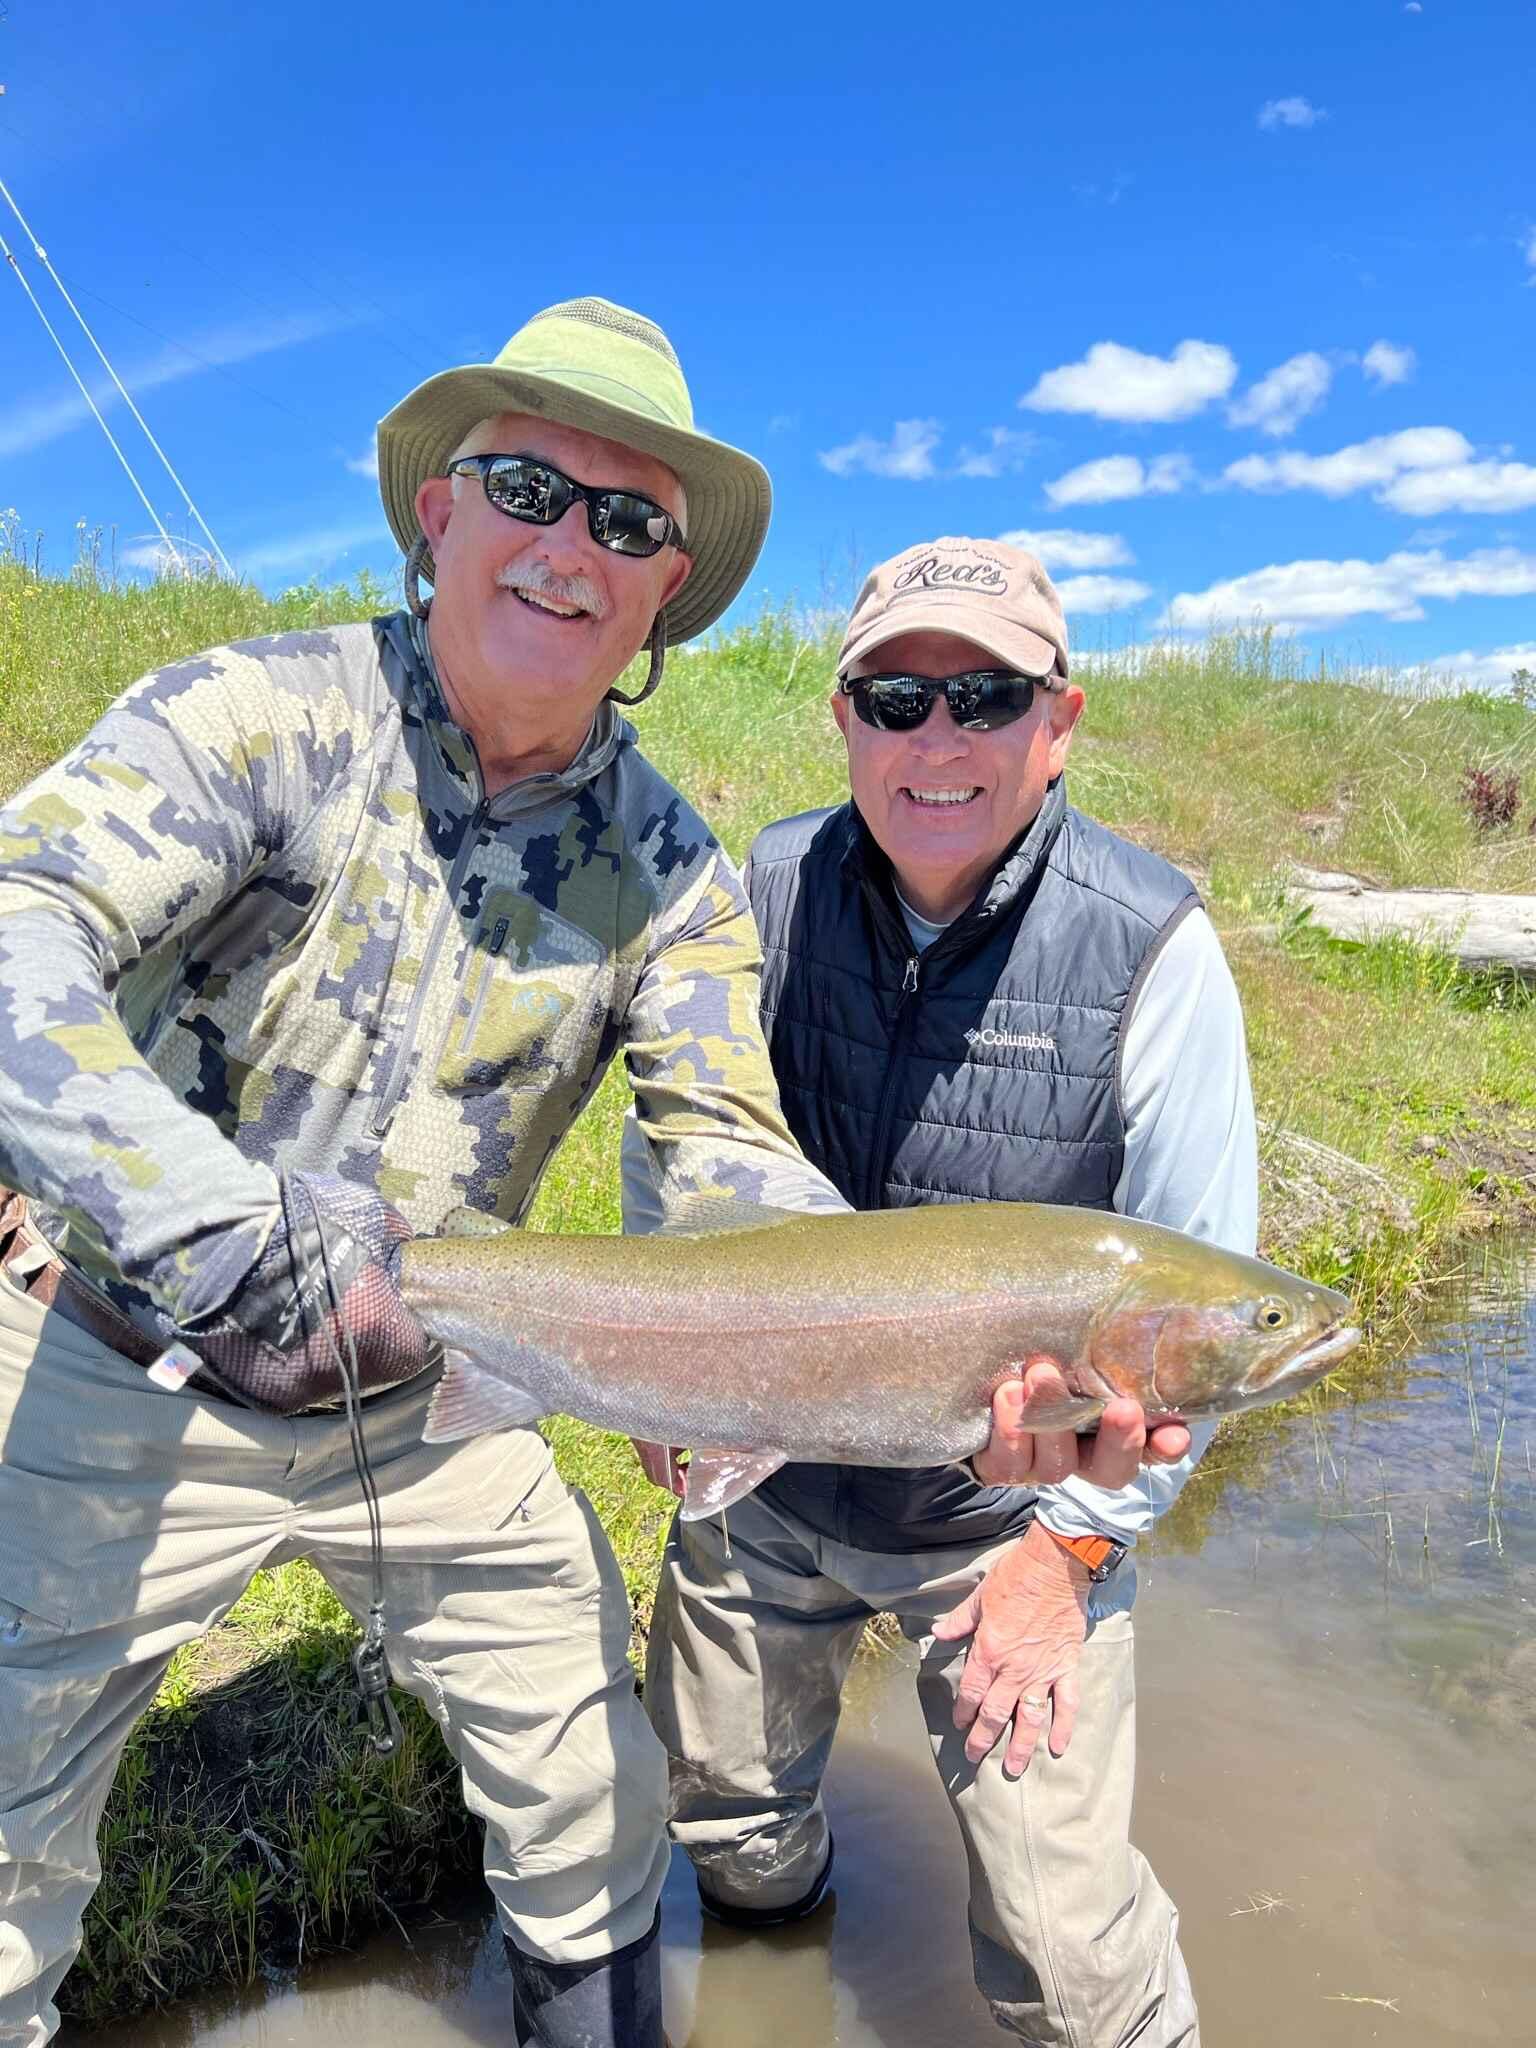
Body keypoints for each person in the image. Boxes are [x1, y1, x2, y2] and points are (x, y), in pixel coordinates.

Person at [0, 294, 854, 2048]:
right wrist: (203, 1218)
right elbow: (20, 921)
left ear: (662, 600)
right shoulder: (259, 715)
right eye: (527, 486)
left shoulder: (675, 870)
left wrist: (874, 1334)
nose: (571, 547)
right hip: (120, 1362)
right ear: (434, 514)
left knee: (598, 1813)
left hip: (437, 1392)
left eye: (630, 524)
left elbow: (727, 1163)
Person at [628, 536, 1258, 2047]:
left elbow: (1201, 1308)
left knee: (1069, 1968)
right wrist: (661, 1385)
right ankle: (777, 1966)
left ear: (1061, 722)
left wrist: (1071, 1556)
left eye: (985, 697)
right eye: (895, 698)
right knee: (735, 1847)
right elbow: (678, 1149)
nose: (938, 740)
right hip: (766, 1482)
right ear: (841, 717)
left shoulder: (1152, 951)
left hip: (1004, 1531)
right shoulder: (751, 894)